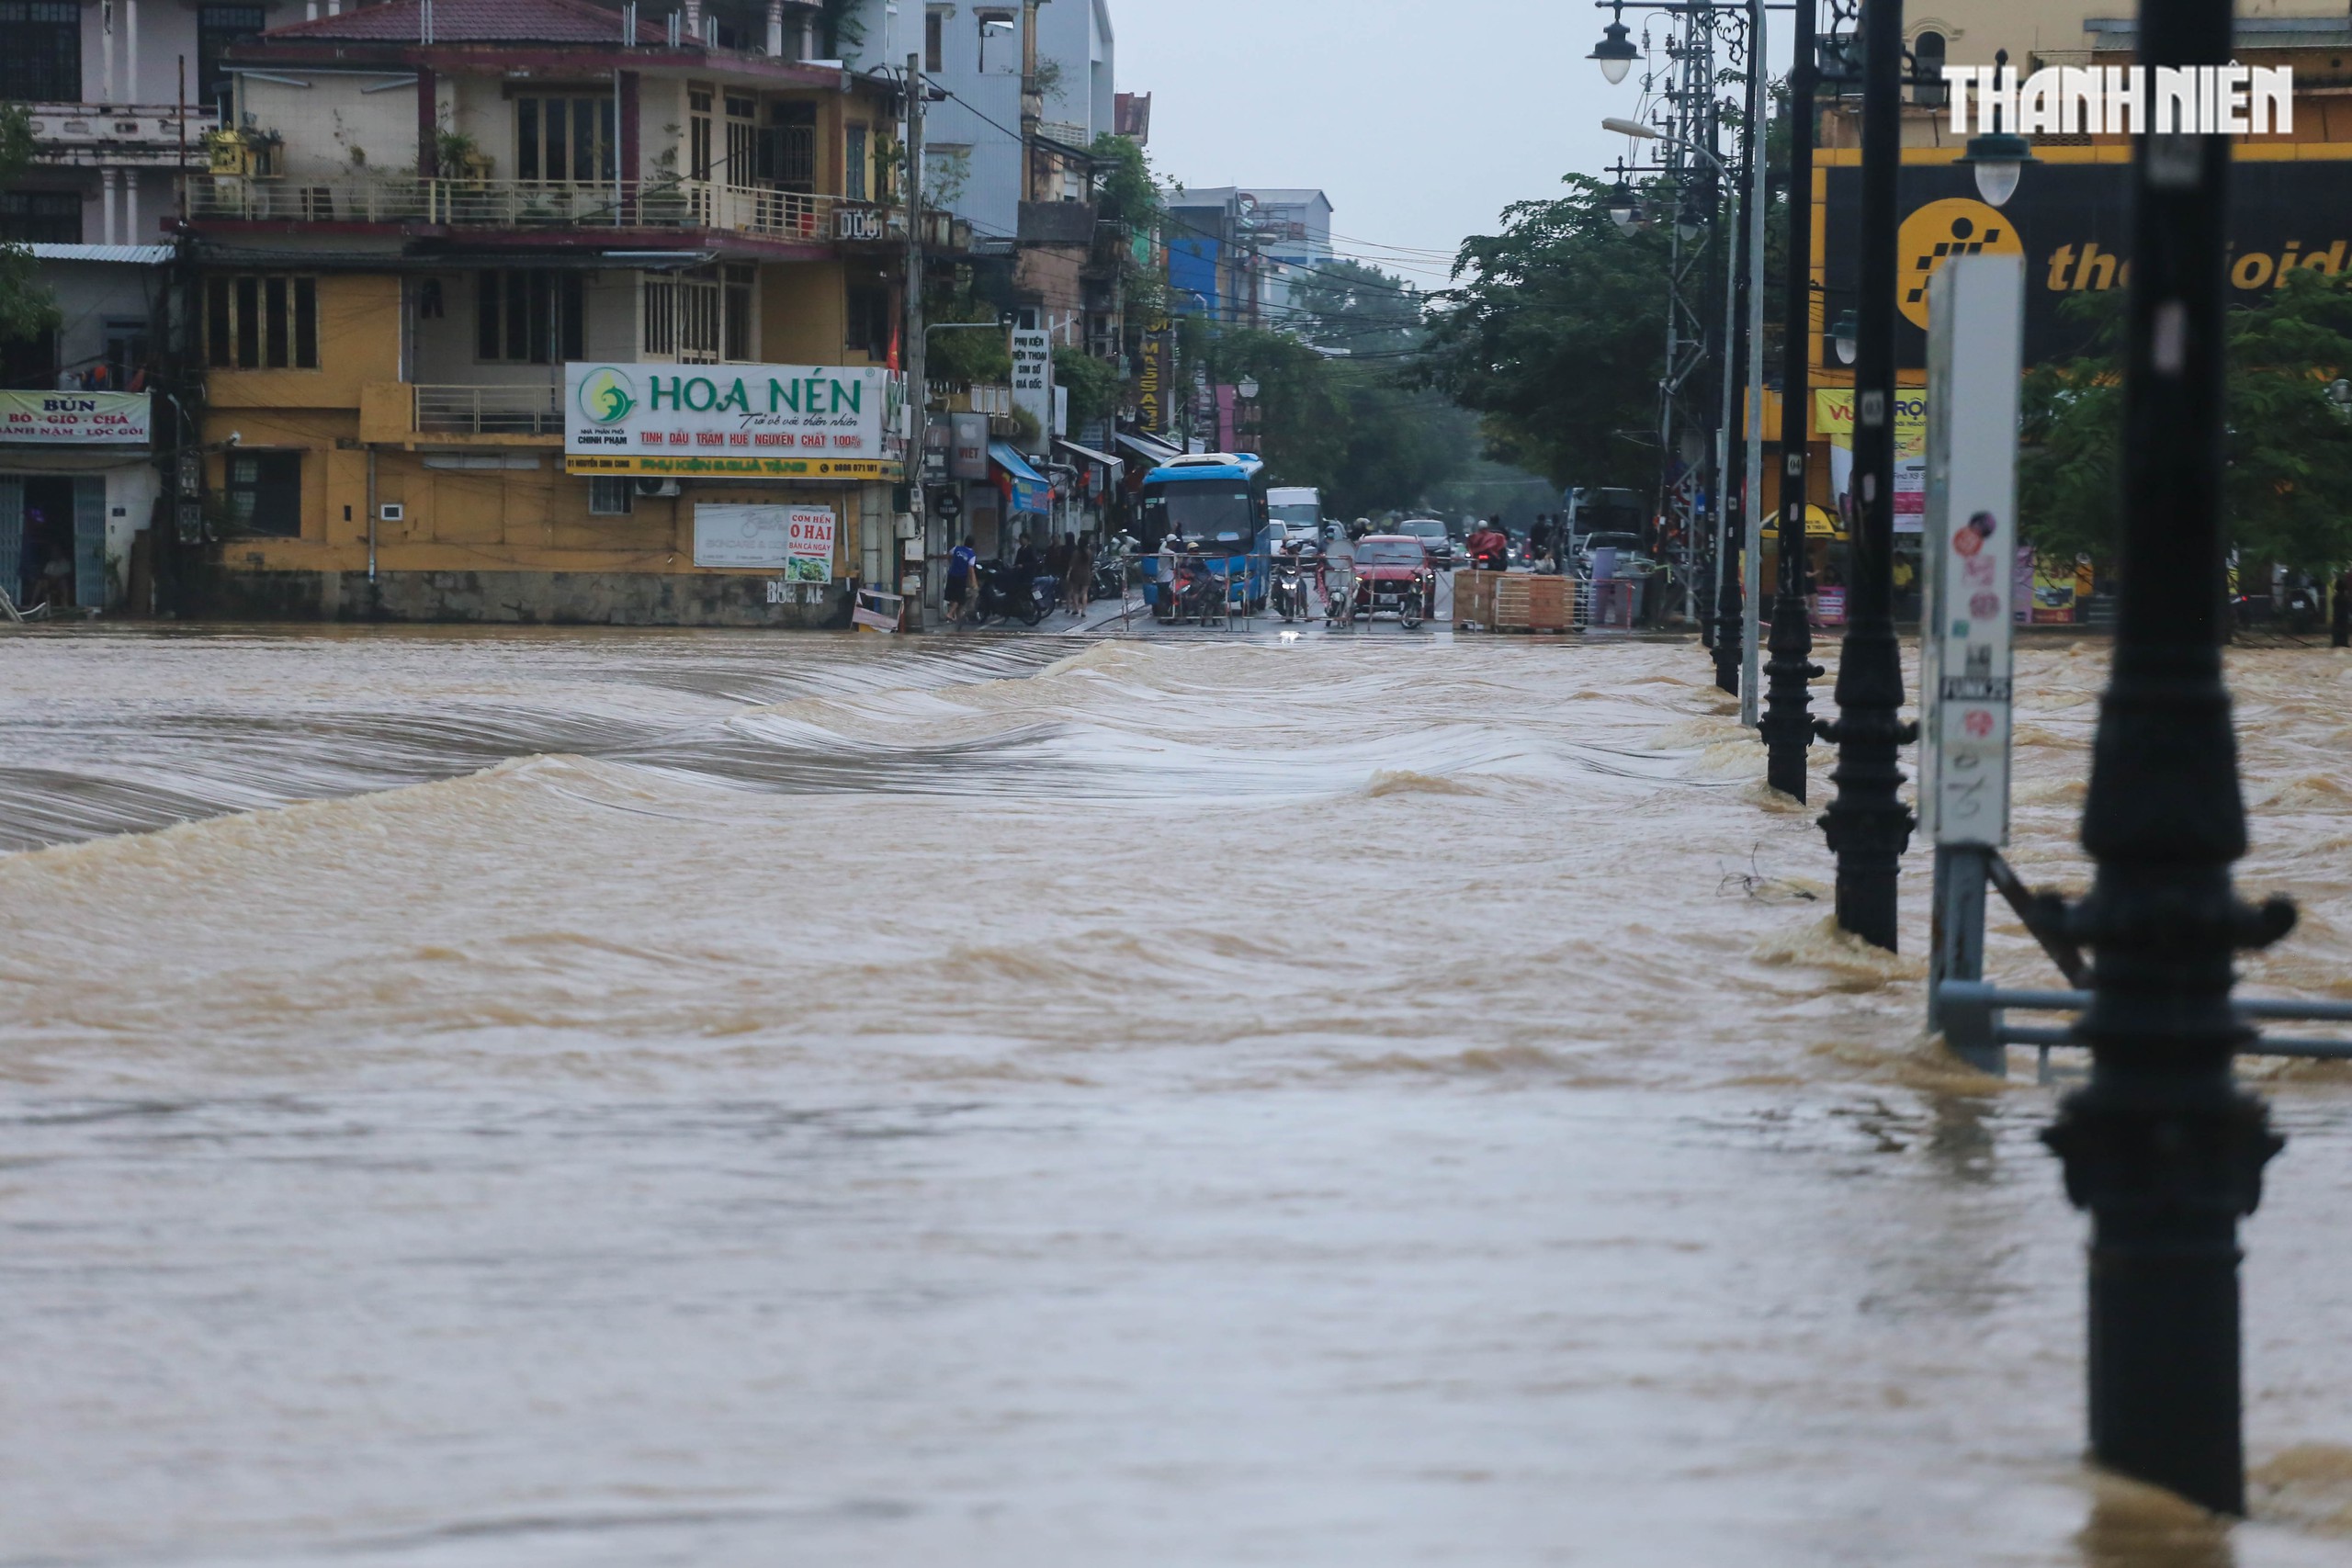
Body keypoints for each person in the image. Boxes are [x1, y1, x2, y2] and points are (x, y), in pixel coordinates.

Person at [945, 535, 979, 626]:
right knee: (959, 598)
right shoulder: (972, 555)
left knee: (952, 596)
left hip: (951, 575)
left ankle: (955, 617)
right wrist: (974, 583)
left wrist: (951, 564)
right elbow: (971, 570)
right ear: (973, 544)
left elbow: (948, 556)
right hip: (961, 577)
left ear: (965, 541)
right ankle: (950, 614)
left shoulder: (956, 548)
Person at [1065, 534, 1094, 617]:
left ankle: (1076, 609)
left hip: (1076, 574)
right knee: (1085, 593)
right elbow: (1091, 563)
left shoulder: (1076, 553)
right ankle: (1083, 611)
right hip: (1086, 573)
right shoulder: (1089, 553)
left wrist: (1068, 573)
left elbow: (1071, 564)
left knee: (1075, 592)